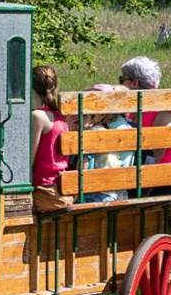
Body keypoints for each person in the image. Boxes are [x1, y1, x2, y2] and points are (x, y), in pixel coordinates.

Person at [76, 84, 135, 203]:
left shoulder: (97, 132)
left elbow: (85, 165)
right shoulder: (126, 126)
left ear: (102, 114)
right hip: (120, 188)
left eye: (85, 114)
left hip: (100, 190)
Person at [118, 56, 171, 164]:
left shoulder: (162, 110)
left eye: (122, 80)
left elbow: (157, 154)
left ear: (134, 83)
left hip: (164, 171)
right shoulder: (131, 107)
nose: (120, 84)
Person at [31, 65, 72, 213]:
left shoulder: (38, 116)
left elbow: (29, 160)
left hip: (45, 192)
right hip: (64, 188)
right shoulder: (62, 115)